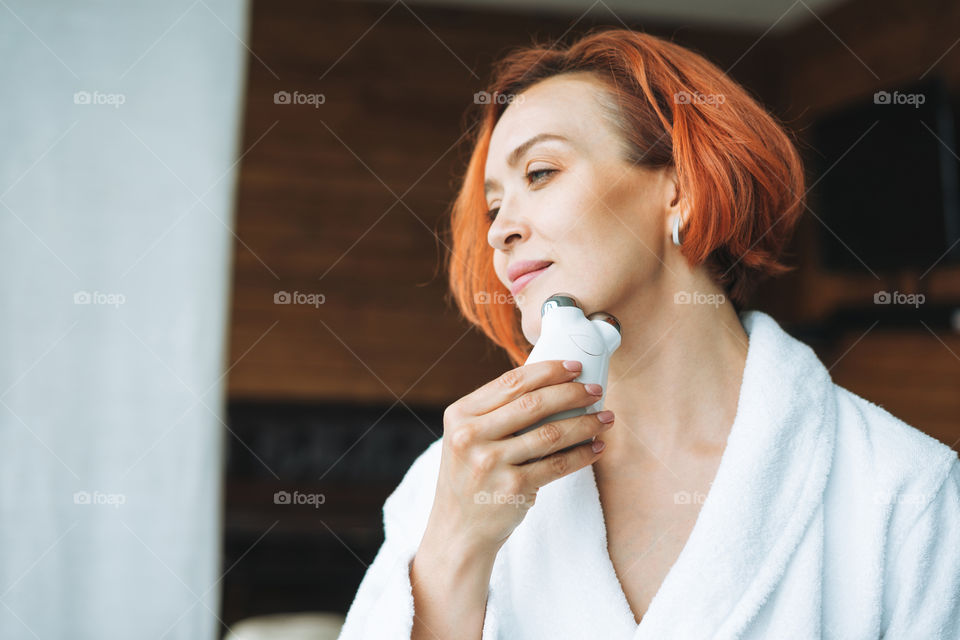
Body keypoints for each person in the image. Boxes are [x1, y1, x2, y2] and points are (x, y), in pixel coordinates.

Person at [337, 27, 960, 640]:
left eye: (541, 172)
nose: (500, 230)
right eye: (494, 205)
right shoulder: (449, 484)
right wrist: (454, 550)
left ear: (682, 187)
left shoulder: (908, 497)